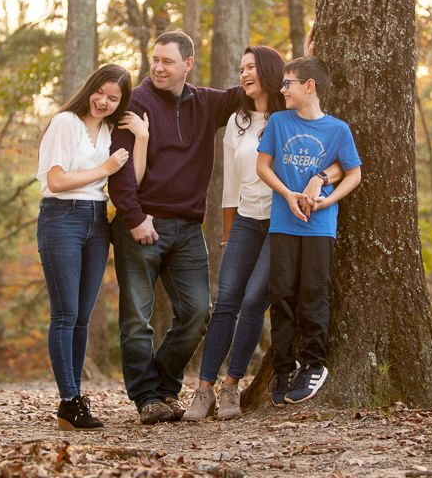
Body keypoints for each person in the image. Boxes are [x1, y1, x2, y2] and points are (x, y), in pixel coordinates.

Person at [182, 46, 342, 421]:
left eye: (251, 67)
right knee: (226, 302)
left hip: (282, 225)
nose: (244, 74)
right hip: (245, 222)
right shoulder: (237, 122)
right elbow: (230, 185)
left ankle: (231, 386)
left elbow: (334, 152)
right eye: (240, 68)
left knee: (254, 301)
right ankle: (203, 389)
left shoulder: (291, 116)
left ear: (271, 72)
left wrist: (306, 54)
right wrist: (226, 235)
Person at [108, 30, 244, 425]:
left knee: (198, 313)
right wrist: (133, 217)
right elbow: (120, 166)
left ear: (188, 64)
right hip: (142, 223)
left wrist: (300, 60)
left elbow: (250, 90)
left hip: (187, 228)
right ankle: (147, 398)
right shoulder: (135, 102)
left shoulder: (206, 103)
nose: (158, 67)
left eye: (168, 61)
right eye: (155, 59)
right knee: (137, 319)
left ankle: (164, 385)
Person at [36, 64, 149, 430]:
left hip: (97, 220)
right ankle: (68, 400)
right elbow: (56, 179)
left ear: (121, 103)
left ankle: (74, 398)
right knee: (65, 314)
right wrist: (105, 169)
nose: (104, 101)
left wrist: (142, 139)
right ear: (90, 89)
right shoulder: (66, 123)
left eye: (113, 98)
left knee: (83, 316)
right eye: (100, 93)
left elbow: (132, 177)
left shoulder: (109, 131)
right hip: (61, 217)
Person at [256, 55, 363, 405]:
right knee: (282, 294)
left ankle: (315, 364)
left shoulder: (338, 130)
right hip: (284, 223)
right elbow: (263, 167)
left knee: (314, 294)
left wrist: (328, 202)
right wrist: (287, 195)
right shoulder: (279, 122)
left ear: (309, 86)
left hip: (319, 227)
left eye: (288, 83)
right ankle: (284, 367)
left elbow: (354, 174)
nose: (282, 89)